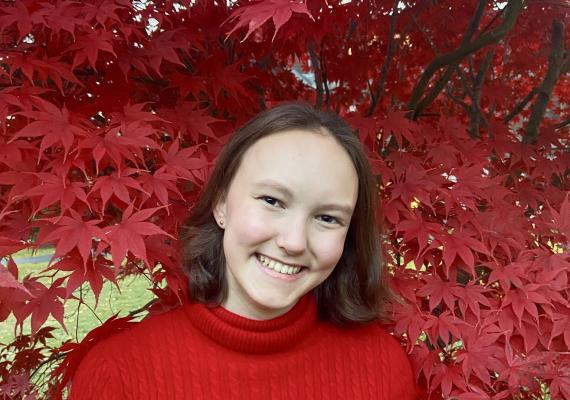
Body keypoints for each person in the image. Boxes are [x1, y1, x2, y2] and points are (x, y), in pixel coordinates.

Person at [69, 102, 417, 399]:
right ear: (222, 203)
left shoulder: (383, 370)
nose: (294, 241)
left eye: (327, 217)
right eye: (272, 200)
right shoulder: (118, 375)